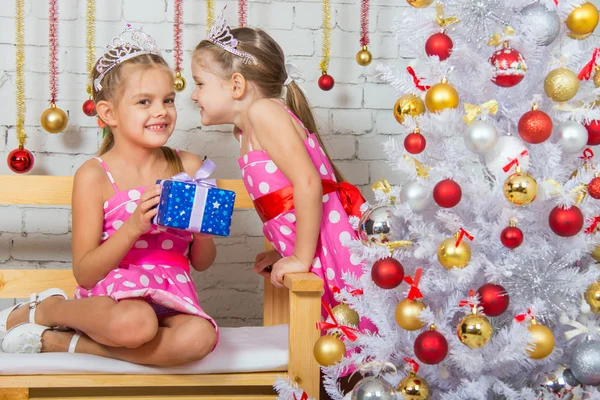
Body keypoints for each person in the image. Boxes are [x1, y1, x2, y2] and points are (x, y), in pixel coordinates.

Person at [0, 27, 217, 367]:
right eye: (144, 101)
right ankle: (48, 308)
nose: (161, 111)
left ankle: (58, 341)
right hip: (116, 297)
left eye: (168, 100)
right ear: (109, 113)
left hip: (174, 293)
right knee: (137, 324)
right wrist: (133, 227)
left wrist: (203, 230)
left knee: (202, 337)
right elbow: (86, 273)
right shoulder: (95, 175)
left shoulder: (190, 167)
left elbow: (203, 263)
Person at [190, 10, 374, 336]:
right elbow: (286, 201)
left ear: (236, 85)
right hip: (321, 245)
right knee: (332, 339)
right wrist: (282, 251)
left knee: (351, 335)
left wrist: (300, 258)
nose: (194, 95)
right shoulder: (245, 131)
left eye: (200, 84)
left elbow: (307, 183)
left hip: (332, 250)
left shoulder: (264, 113)